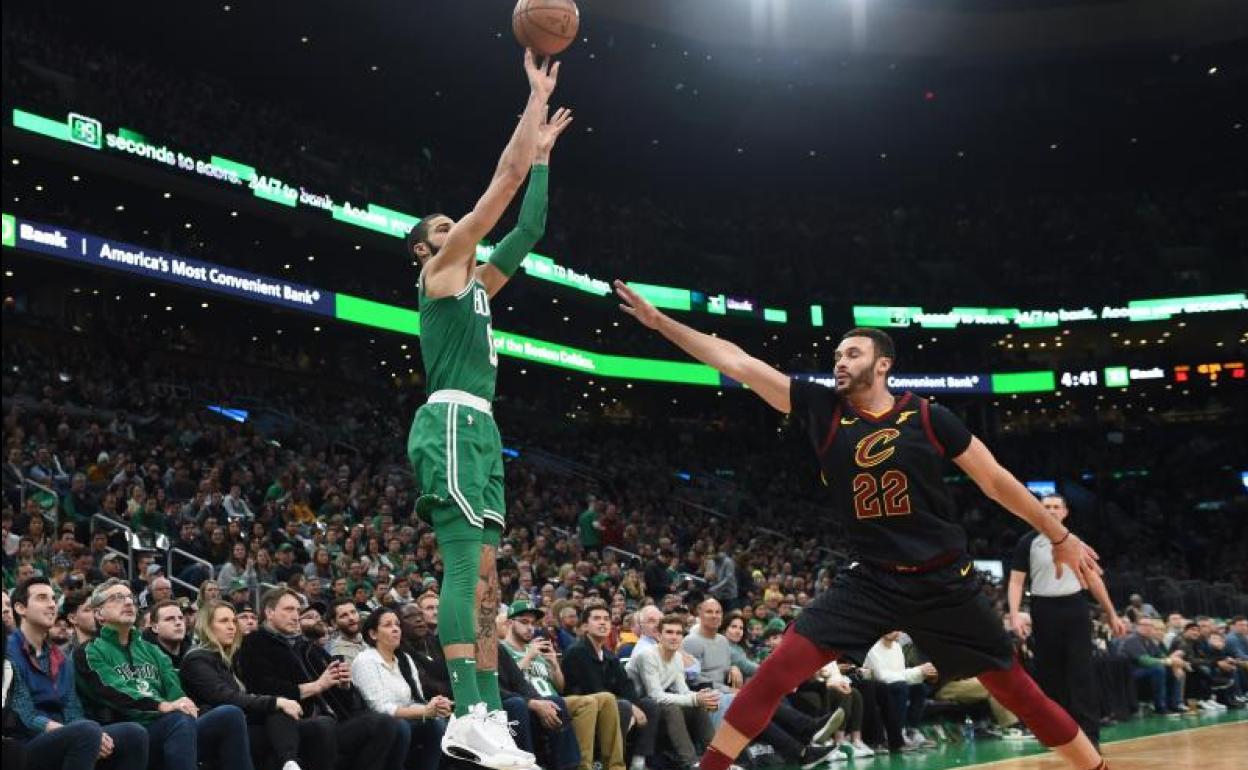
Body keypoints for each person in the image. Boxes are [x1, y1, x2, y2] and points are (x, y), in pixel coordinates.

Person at [611, 292, 1109, 770]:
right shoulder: (823, 410)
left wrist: (1060, 535)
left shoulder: (929, 417)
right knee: (776, 671)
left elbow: (996, 480)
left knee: (1016, 689)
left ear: (883, 363)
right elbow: (739, 362)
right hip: (871, 580)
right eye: (836, 355)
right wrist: (663, 325)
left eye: (853, 353)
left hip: (944, 582)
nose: (840, 361)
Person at [403, 46, 569, 768]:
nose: (454, 232)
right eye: (440, 228)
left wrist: (543, 160)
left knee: (491, 580)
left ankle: (486, 714)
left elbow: (526, 228)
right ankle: (468, 713)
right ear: (422, 251)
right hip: (448, 420)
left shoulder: (478, 288)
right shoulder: (442, 274)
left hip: (481, 425)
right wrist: (530, 107)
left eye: (453, 226)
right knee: (464, 566)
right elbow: (495, 193)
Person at [74, 578, 255, 770]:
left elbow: (174, 690)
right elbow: (109, 689)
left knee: (229, 714)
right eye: (117, 598)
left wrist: (183, 704)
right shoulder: (89, 651)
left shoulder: (152, 651)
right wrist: (161, 705)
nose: (127, 602)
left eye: (129, 597)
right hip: (129, 732)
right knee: (178, 720)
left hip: (171, 727)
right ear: (99, 614)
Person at [234, 587, 407, 770]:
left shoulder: (307, 646)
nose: (295, 616)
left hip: (334, 720)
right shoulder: (255, 642)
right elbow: (262, 687)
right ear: (269, 612)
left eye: (297, 611)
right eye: (289, 609)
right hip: (292, 725)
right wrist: (316, 686)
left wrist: (344, 686)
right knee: (323, 726)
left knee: (385, 724)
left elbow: (343, 701)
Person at [1009, 493, 1128, 748]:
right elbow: (1016, 581)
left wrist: (1111, 612)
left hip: (1074, 607)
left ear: (1065, 512)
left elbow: (1094, 579)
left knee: (1082, 672)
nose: (1051, 511)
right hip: (1043, 609)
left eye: (1055, 507)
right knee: (1050, 674)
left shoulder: (1075, 542)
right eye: (1046, 507)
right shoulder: (1027, 542)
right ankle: (1060, 735)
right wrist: (1015, 612)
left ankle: (1090, 737)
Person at [6, 577, 149, 770]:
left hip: (67, 735)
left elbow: (72, 708)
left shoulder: (59, 657)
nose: (51, 605)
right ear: (21, 608)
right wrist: (80, 730)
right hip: (24, 744)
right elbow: (23, 713)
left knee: (133, 733)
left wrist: (94, 733)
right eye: (41, 598)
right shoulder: (9, 652)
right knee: (87, 731)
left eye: (53, 599)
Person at [181, 600, 326, 770]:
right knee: (279, 709)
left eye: (233, 621)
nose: (231, 627)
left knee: (314, 724)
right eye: (223, 621)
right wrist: (274, 702)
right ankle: (288, 761)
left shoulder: (230, 658)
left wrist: (277, 702)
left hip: (245, 722)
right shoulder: (197, 659)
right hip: (219, 729)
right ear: (207, 626)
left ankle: (289, 762)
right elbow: (223, 696)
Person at [503, 599, 622, 770]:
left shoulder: (536, 650)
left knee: (608, 698)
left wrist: (554, 664)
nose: (530, 627)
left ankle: (616, 766)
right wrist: (528, 657)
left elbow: (560, 687)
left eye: (533, 623)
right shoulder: (503, 649)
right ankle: (582, 766)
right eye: (524, 622)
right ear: (509, 623)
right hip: (531, 702)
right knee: (588, 703)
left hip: (555, 699)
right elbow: (507, 680)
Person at [352, 607, 454, 770]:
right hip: (376, 723)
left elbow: (414, 700)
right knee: (401, 726)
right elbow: (380, 708)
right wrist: (424, 711)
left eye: (397, 624)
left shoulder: (404, 659)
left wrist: (435, 705)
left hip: (405, 719)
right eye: (387, 625)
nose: (395, 629)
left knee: (437, 723)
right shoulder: (365, 660)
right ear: (373, 634)